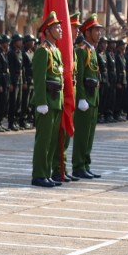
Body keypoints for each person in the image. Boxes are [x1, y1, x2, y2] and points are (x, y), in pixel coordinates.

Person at [31, 11, 65, 188]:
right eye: (56, 27)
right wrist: (41, 102)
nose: (60, 29)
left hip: (56, 100)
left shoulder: (56, 51)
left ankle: (47, 173)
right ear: (48, 31)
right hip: (47, 102)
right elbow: (39, 79)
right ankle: (38, 174)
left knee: (52, 141)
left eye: (60, 26)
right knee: (43, 140)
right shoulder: (43, 52)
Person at [71, 14, 103, 179]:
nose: (99, 33)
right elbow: (80, 76)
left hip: (93, 98)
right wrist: (81, 98)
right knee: (82, 135)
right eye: (96, 30)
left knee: (89, 135)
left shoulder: (92, 50)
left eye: (99, 30)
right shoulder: (81, 50)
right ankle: (78, 166)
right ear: (87, 32)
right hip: (85, 100)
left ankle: (86, 164)